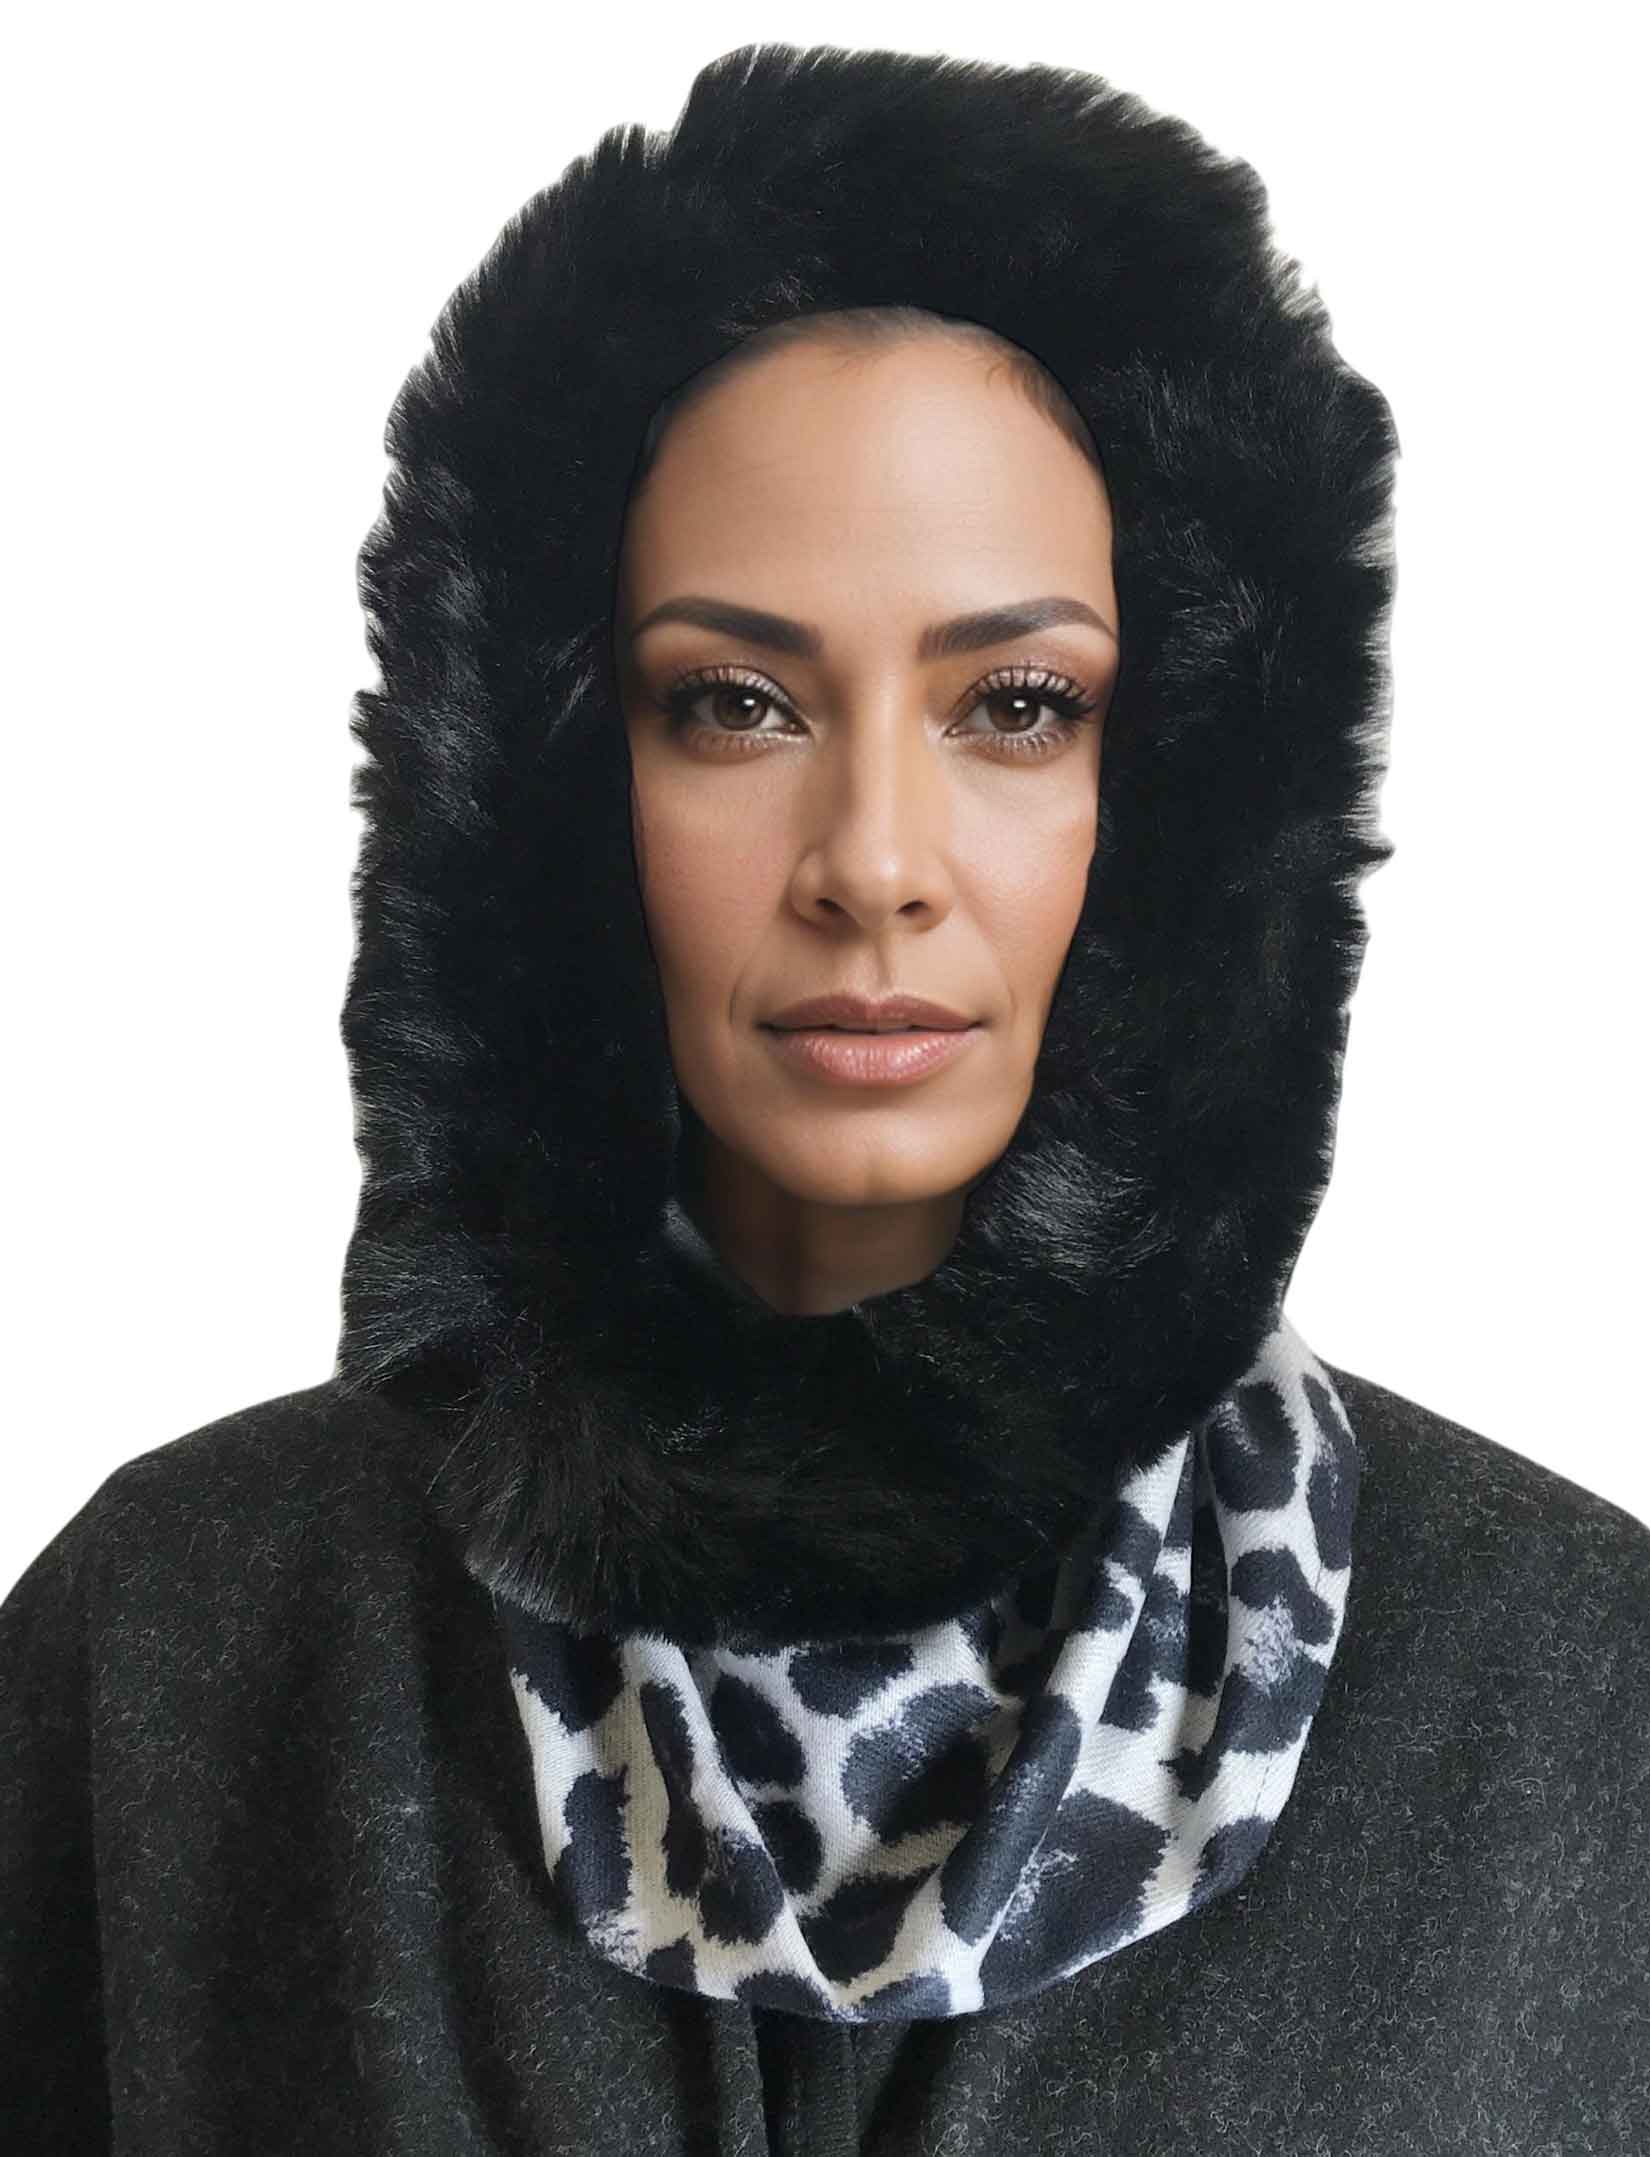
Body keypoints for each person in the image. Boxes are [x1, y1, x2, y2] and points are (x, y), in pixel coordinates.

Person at [4, 39, 1646, 2155]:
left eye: (1017, 704)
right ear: (545, 768)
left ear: (1184, 780)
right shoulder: (182, 1648)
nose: (873, 857)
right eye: (735, 702)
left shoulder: (1577, 1703)